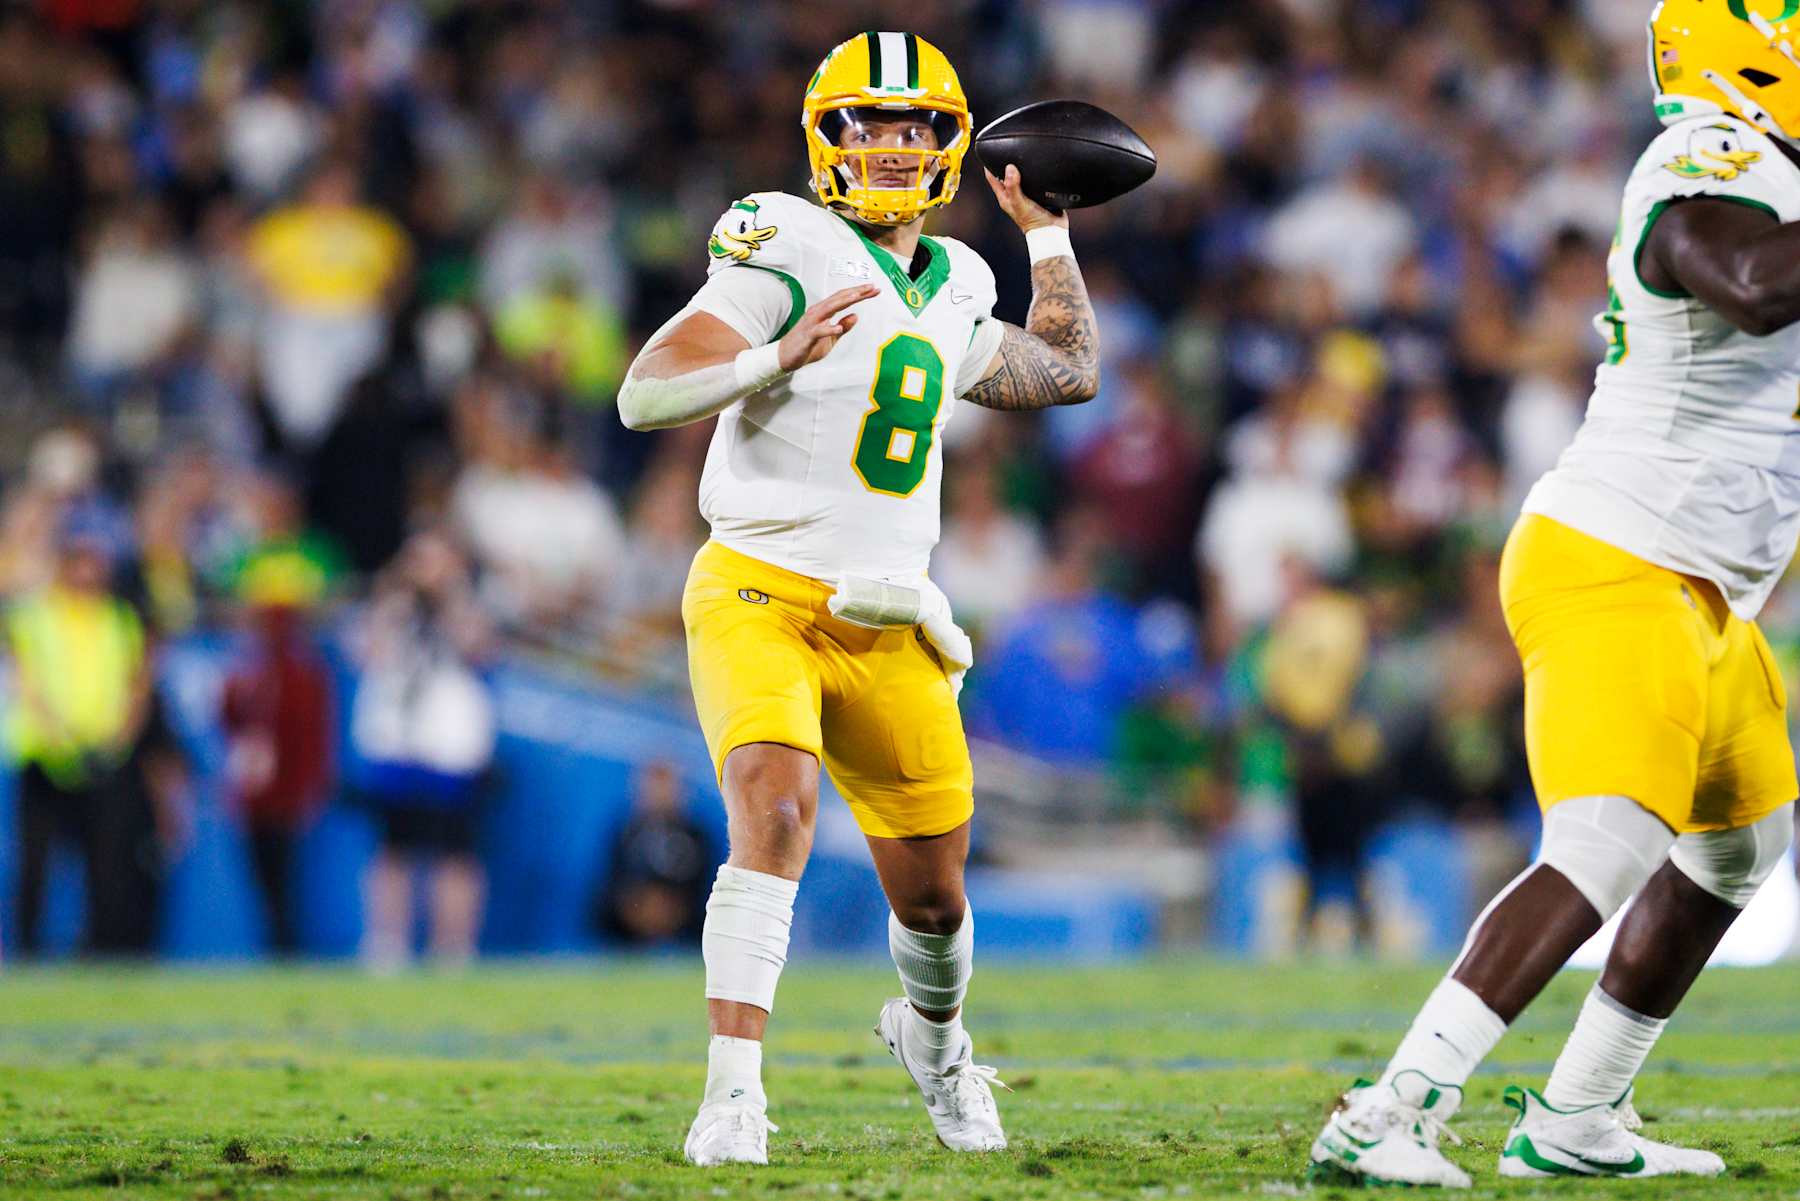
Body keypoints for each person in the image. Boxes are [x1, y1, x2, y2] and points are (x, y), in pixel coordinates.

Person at [1310, 3, 1800, 1185]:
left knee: (1739, 850)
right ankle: (1393, 1108)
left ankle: (1579, 1114)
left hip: (1705, 590)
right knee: (1606, 842)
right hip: (1619, 556)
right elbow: (1748, 282)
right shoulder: (1711, 152)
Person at [617, 32, 1099, 1167]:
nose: (892, 146)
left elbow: (1067, 372)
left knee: (934, 901)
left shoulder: (963, 279)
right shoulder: (784, 239)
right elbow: (645, 394)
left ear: (951, 143)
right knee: (775, 811)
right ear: (825, 136)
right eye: (868, 124)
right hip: (758, 584)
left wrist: (1050, 236)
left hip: (890, 612)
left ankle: (935, 1049)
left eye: (917, 126)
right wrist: (766, 358)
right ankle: (732, 1094)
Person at [348, 530, 495, 971]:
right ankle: (385, 942)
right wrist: (395, 602)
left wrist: (448, 598)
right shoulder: (390, 609)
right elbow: (363, 653)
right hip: (397, 742)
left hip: (450, 747)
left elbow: (478, 646)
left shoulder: (469, 604)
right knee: (392, 848)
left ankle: (453, 947)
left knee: (456, 851)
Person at [5, 525, 155, 955]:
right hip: (45, 754)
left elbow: (136, 685)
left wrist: (114, 742)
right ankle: (29, 947)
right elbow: (27, 681)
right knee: (37, 861)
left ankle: (100, 946)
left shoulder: (118, 618)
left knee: (105, 861)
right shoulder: (35, 616)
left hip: (105, 756)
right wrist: (63, 737)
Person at [594, 761, 712, 946]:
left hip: (683, 916)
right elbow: (615, 879)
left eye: (666, 785)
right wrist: (638, 906)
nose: (660, 792)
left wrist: (672, 908)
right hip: (631, 917)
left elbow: (702, 884)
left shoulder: (696, 833)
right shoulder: (627, 831)